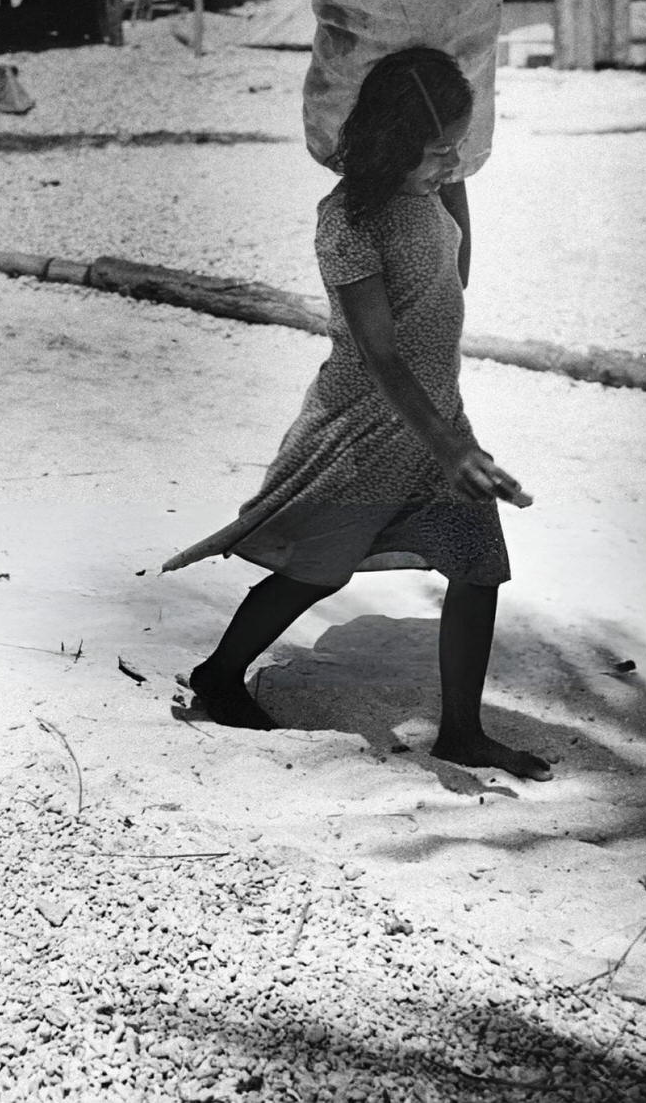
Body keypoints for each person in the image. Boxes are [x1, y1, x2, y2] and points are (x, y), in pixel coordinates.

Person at [187, 46, 550, 781]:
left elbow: (455, 275)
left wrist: (453, 185)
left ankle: (460, 731)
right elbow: (381, 355)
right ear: (393, 139)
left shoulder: (437, 194)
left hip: (438, 418)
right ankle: (219, 675)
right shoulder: (347, 223)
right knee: (315, 573)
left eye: (458, 146)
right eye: (438, 147)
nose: (451, 160)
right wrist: (450, 448)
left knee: (479, 564)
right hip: (359, 430)